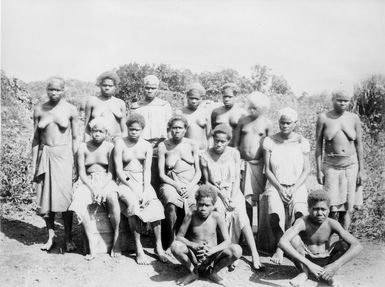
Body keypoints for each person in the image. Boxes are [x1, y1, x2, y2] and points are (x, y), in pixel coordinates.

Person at [201, 124, 263, 271]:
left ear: (228, 141)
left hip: (233, 192)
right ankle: (228, 252)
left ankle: (255, 254)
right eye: (216, 140)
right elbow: (207, 182)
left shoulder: (234, 153)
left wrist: (233, 198)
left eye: (222, 141)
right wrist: (221, 195)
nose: (219, 144)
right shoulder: (205, 155)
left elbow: (236, 178)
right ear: (213, 139)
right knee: (221, 211)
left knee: (240, 212)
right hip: (215, 193)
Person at [32, 77, 79, 252]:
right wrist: (33, 165)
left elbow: (75, 138)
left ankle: (68, 237)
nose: (54, 93)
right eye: (50, 89)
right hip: (46, 155)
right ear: (46, 90)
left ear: (63, 90)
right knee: (46, 198)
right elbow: (36, 140)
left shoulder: (71, 110)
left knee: (66, 198)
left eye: (57, 90)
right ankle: (51, 236)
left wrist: (76, 163)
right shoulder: (39, 109)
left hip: (64, 157)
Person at [278, 190, 362, 287]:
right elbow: (282, 242)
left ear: (329, 209)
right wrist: (309, 264)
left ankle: (327, 274)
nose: (319, 213)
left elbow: (357, 245)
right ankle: (303, 273)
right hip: (305, 259)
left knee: (344, 244)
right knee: (294, 239)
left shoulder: (332, 223)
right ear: (308, 209)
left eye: (323, 209)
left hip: (326, 259)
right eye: (315, 209)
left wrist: (335, 265)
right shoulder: (302, 222)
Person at [114, 113, 167, 264]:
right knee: (133, 206)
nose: (133, 132)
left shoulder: (146, 145)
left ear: (142, 130)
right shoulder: (120, 143)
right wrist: (133, 188)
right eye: (131, 129)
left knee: (156, 206)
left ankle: (158, 246)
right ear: (127, 129)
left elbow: (147, 170)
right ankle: (139, 248)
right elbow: (118, 170)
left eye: (137, 130)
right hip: (126, 181)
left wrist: (144, 189)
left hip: (143, 182)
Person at [263, 107, 310, 264]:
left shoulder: (302, 142)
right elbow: (268, 170)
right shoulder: (270, 141)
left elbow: (306, 170)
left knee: (300, 213)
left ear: (295, 124)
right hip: (275, 184)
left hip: (297, 185)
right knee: (275, 215)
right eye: (282, 123)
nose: (284, 126)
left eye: (288, 123)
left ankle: (295, 245)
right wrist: (280, 188)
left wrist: (294, 188)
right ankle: (280, 247)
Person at [69, 117, 121, 260]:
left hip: (105, 179)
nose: (97, 134)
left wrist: (102, 187)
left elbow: (111, 172)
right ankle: (91, 242)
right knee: (80, 202)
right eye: (94, 131)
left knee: (112, 197)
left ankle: (116, 238)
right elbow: (81, 172)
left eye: (100, 131)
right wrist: (92, 189)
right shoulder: (83, 147)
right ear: (90, 132)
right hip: (87, 180)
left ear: (106, 133)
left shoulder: (110, 147)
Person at [171, 185, 242, 286]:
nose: (203, 208)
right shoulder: (191, 215)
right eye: (200, 204)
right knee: (175, 246)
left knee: (237, 250)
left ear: (213, 205)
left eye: (207, 205)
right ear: (196, 203)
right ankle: (193, 272)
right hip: (194, 256)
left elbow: (227, 241)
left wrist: (211, 251)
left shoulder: (217, 216)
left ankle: (213, 273)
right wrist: (193, 245)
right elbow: (179, 237)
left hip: (212, 258)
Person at [316, 89, 364, 230]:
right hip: (331, 165)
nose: (343, 103)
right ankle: (327, 239)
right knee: (331, 207)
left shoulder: (354, 118)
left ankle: (343, 241)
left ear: (350, 101)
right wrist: (319, 170)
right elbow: (318, 145)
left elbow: (359, 145)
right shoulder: (324, 117)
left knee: (347, 207)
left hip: (350, 165)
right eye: (339, 100)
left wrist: (361, 170)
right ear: (333, 99)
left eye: (346, 101)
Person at [158, 115, 201, 248]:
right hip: (171, 183)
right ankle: (171, 241)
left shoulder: (192, 144)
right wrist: (176, 185)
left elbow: (198, 172)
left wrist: (190, 186)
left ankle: (192, 240)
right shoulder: (164, 145)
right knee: (171, 203)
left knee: (195, 204)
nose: (177, 131)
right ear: (170, 129)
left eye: (180, 128)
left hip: (191, 184)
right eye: (174, 128)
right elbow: (161, 174)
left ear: (185, 129)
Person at [233, 91, 273, 228]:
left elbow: (270, 146)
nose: (251, 110)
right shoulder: (242, 121)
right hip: (244, 165)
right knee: (246, 199)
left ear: (262, 109)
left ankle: (261, 233)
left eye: (255, 108)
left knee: (261, 198)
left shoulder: (267, 124)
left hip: (260, 165)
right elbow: (235, 144)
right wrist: (236, 164)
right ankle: (247, 229)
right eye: (250, 107)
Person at [131, 75, 173, 189]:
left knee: (159, 176)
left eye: (153, 88)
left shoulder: (164, 105)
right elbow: (131, 128)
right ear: (143, 88)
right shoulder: (137, 107)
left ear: (157, 89)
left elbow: (170, 128)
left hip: (159, 146)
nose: (149, 90)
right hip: (141, 146)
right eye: (147, 87)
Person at [84, 71, 127, 141]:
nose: (107, 88)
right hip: (96, 142)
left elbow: (124, 129)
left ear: (115, 87)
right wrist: (86, 144)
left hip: (116, 141)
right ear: (100, 85)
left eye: (110, 86)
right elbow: (86, 127)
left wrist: (123, 144)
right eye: (104, 85)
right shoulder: (92, 101)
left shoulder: (120, 103)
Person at [177, 82, 211, 151]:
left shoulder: (205, 112)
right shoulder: (180, 113)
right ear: (187, 97)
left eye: (196, 99)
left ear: (201, 98)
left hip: (203, 151)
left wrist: (209, 150)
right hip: (186, 152)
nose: (194, 101)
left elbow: (209, 136)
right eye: (191, 98)